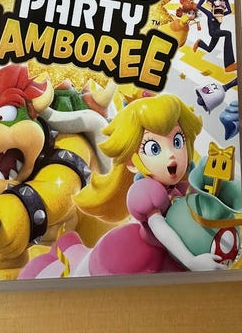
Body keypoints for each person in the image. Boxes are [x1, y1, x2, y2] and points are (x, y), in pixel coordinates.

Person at [20, 94, 225, 278]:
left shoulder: (183, 183)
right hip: (132, 256)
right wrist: (191, 261)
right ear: (131, 163)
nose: (171, 154)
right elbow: (160, 229)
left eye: (177, 141)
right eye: (154, 148)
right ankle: (57, 265)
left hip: (171, 255)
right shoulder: (145, 191)